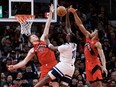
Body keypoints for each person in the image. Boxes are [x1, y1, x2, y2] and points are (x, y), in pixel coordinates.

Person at [8, 4, 59, 87]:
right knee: (42, 84)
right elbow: (24, 62)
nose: (34, 35)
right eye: (32, 36)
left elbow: (47, 26)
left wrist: (50, 13)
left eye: (35, 35)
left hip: (54, 64)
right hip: (45, 67)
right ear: (31, 41)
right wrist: (14, 66)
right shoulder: (32, 50)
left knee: (56, 84)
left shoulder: (42, 40)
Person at [34, 9, 77, 87]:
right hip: (71, 68)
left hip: (64, 65)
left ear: (69, 38)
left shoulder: (66, 46)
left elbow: (52, 48)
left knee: (46, 78)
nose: (67, 34)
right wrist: (67, 14)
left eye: (68, 35)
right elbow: (68, 27)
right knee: (64, 85)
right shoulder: (74, 44)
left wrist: (47, 40)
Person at [69, 6, 108, 87]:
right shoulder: (87, 36)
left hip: (95, 64)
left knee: (99, 84)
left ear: (96, 34)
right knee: (93, 84)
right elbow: (80, 24)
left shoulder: (97, 43)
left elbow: (102, 55)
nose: (92, 31)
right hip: (87, 64)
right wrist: (74, 13)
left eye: (94, 31)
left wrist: (104, 67)